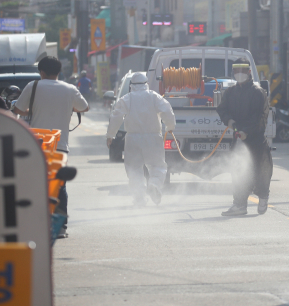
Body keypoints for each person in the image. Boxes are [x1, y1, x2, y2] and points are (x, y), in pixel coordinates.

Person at [14, 56, 89, 238]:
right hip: (60, 146)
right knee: (60, 186)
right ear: (58, 72)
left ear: (41, 72)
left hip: (37, 146)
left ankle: (35, 224)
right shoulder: (70, 89)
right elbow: (84, 108)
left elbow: (17, 110)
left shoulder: (33, 87)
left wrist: (33, 110)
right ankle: (61, 227)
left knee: (35, 184)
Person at [106, 72, 176, 206]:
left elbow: (116, 116)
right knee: (157, 166)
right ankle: (154, 184)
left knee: (134, 169)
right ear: (146, 84)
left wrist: (110, 135)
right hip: (153, 137)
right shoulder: (154, 97)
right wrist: (170, 126)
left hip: (132, 138)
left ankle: (139, 198)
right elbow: (167, 110)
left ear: (131, 85)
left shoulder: (127, 98)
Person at [216, 59, 273, 216]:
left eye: (242, 71)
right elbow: (222, 109)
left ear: (249, 72)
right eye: (236, 71)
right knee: (238, 171)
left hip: (256, 140)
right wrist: (229, 121)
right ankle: (240, 205)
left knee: (261, 171)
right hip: (238, 138)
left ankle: (263, 196)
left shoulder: (258, 92)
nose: (239, 74)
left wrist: (247, 131)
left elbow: (261, 117)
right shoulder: (230, 92)